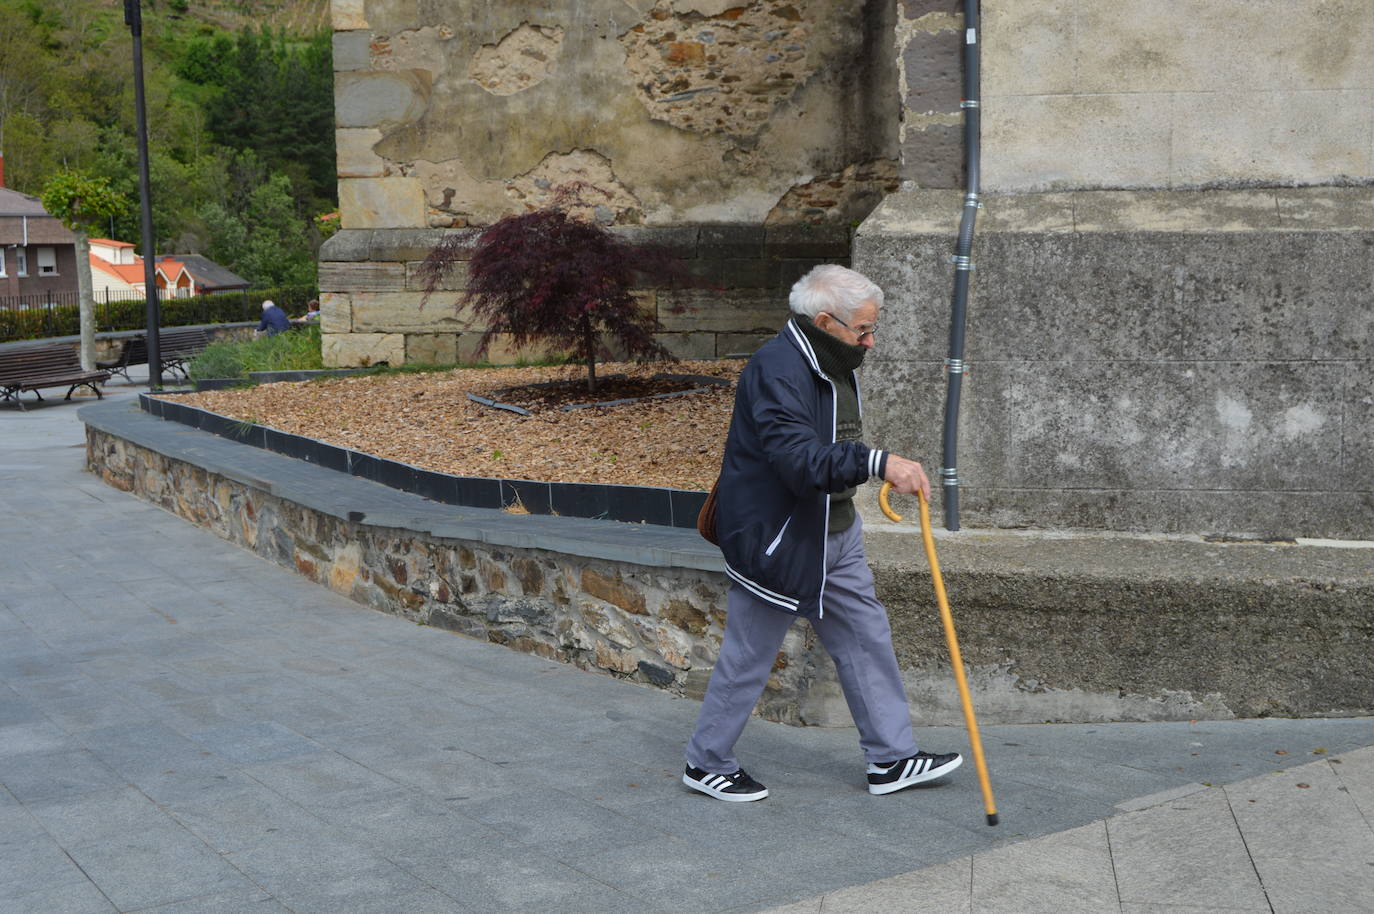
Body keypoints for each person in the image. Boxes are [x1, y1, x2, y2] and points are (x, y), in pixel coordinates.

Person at [683, 264, 963, 802]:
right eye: (862, 330)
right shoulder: (777, 368)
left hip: (835, 530)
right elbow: (797, 461)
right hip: (780, 537)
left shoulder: (831, 360)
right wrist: (879, 462)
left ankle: (891, 759)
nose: (871, 341)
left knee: (865, 636)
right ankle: (706, 761)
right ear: (826, 321)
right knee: (749, 654)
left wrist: (865, 468)